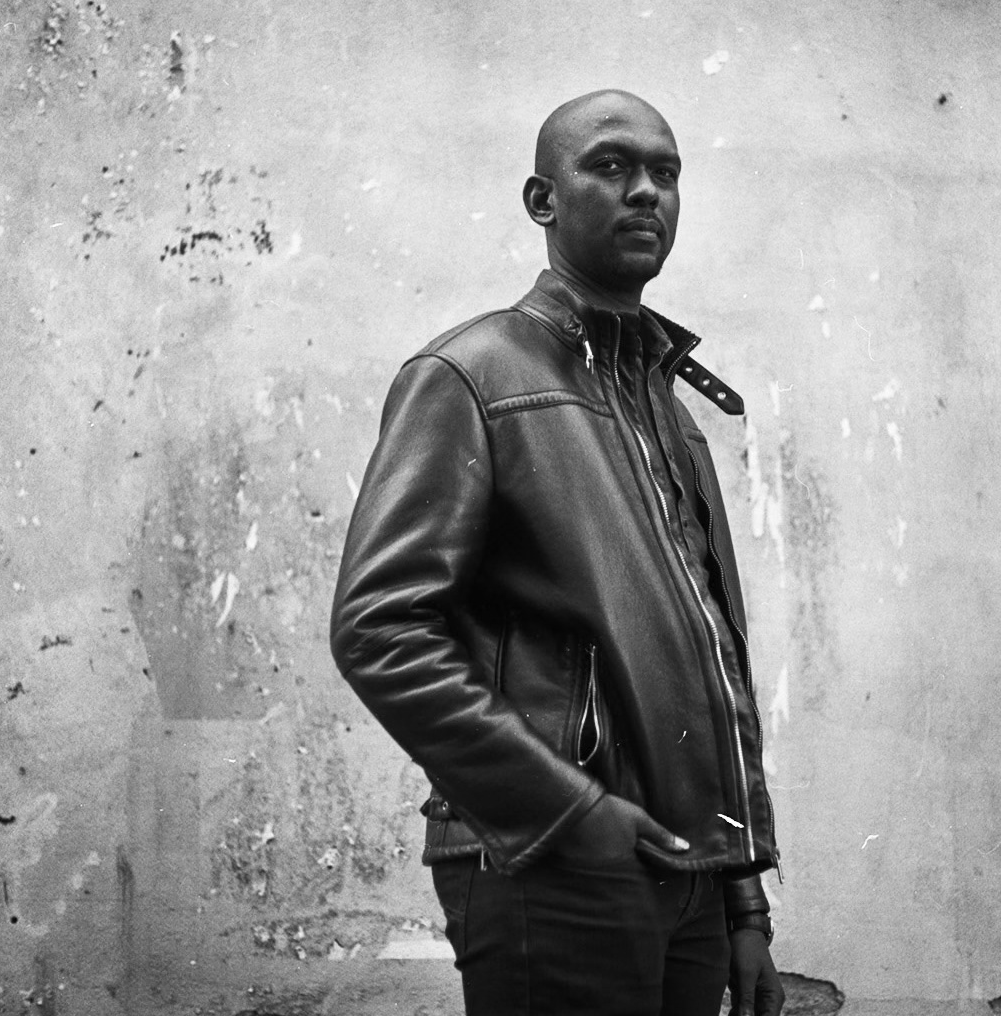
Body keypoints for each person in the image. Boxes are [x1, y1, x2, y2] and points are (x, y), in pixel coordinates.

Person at [330, 89, 785, 1015]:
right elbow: (380, 629)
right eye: (611, 166)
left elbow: (713, 662)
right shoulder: (471, 376)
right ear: (543, 200)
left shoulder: (669, 411)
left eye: (665, 172)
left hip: (690, 874)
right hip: (551, 862)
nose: (645, 191)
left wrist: (742, 901)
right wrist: (567, 813)